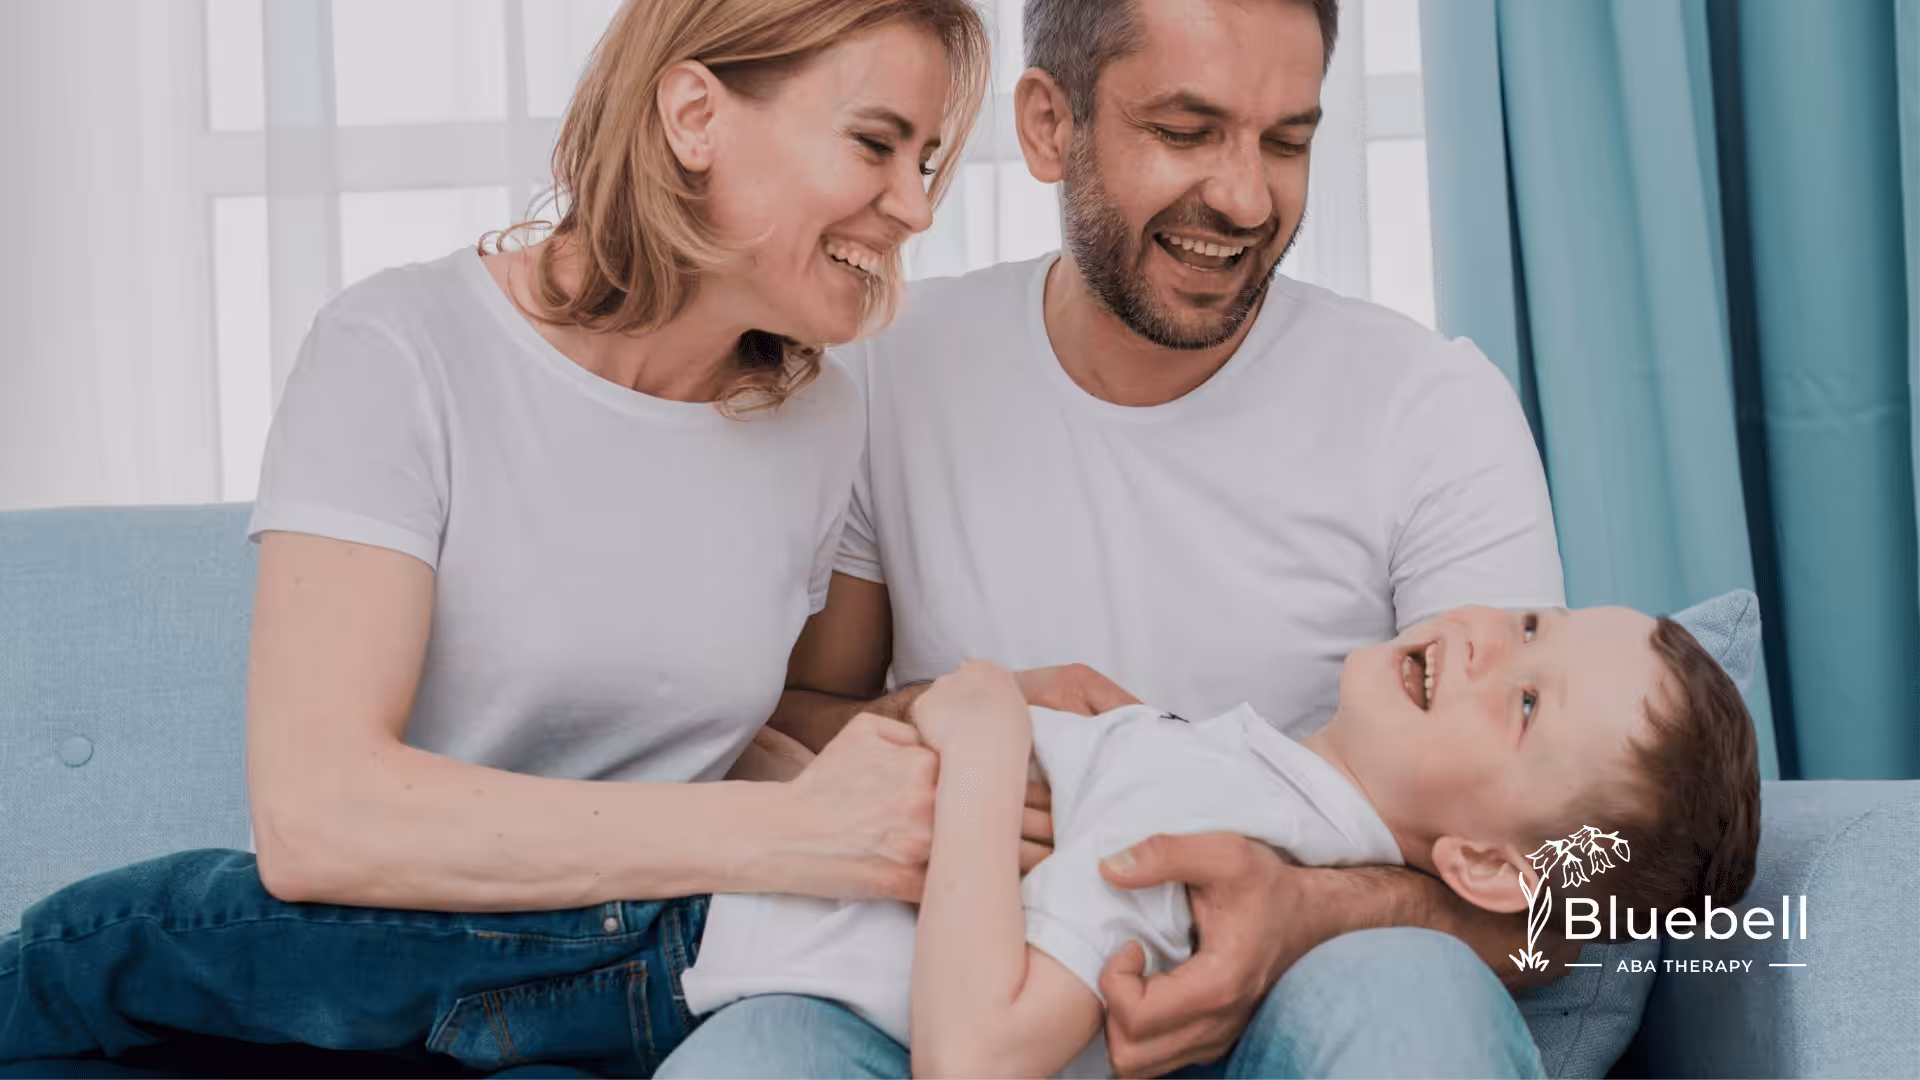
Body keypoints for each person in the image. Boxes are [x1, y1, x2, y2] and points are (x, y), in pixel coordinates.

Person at [0, 1, 993, 1075]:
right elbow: (317, 817)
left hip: (617, 997)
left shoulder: (815, 419)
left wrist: (966, 739)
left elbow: (722, 722)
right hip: (371, 974)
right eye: (876, 143)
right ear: (695, 116)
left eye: (929, 159)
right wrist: (782, 838)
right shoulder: (401, 350)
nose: (915, 207)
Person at [659, 0, 1580, 1076]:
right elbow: (792, 729)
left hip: (1286, 1009)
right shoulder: (893, 374)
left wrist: (1302, 910)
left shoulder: (1429, 408)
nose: (1244, 198)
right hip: (955, 988)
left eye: (1287, 140)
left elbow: (1565, 885)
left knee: (1406, 992)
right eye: (1187, 132)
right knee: (762, 1053)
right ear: (1050, 125)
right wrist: (955, 730)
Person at [676, 603, 1762, 1078]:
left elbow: (977, 1059)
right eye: (1534, 623)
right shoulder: (1244, 789)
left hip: (660, 940)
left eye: (1527, 705)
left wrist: (987, 723)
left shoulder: (1210, 819)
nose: (1486, 643)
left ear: (1485, 866)